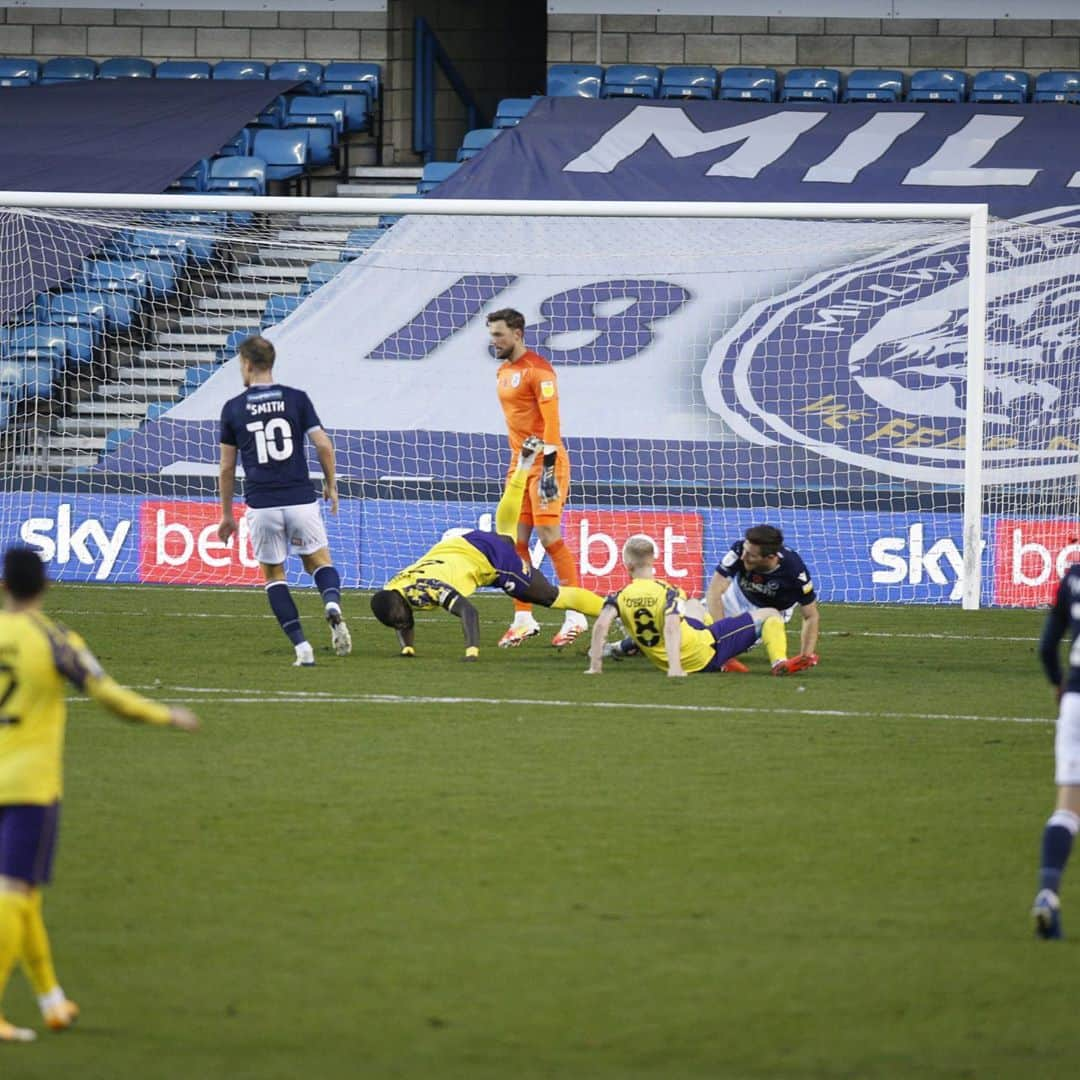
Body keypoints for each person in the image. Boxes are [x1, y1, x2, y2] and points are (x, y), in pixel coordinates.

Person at [0, 547, 199, 1044]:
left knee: (24, 897)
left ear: (4, 586)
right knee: (13, 894)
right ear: (45, 586)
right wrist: (165, 715)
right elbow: (107, 694)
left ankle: (52, 1001)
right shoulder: (54, 639)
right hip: (29, 785)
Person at [370, 437, 603, 659]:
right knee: (506, 534)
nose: (401, 623)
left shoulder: (426, 590)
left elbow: (468, 611)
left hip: (488, 560)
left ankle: (613, 610)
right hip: (462, 544)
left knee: (552, 596)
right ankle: (523, 467)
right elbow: (403, 621)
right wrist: (407, 648)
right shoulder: (393, 587)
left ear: (400, 603)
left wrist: (472, 651)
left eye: (399, 619)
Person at [217, 335, 351, 667]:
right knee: (318, 561)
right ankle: (331, 604)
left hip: (262, 504)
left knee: (274, 575)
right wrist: (331, 485)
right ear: (271, 362)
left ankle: (302, 648)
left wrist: (226, 515)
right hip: (300, 498)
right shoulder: (296, 399)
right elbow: (323, 444)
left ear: (246, 364)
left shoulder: (233, 408)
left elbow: (227, 467)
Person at [487, 308, 587, 649]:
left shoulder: (539, 370)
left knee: (547, 535)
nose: (494, 341)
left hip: (546, 461)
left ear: (517, 333)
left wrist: (546, 465)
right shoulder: (503, 372)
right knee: (513, 541)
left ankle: (576, 615)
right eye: (492, 335)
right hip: (519, 465)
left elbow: (552, 424)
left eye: (499, 334)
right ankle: (523, 618)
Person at [604, 524, 819, 675]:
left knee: (771, 619)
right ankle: (621, 646)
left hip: (768, 612)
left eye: (751, 555)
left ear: (770, 557)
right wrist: (719, 630)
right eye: (744, 550)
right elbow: (715, 590)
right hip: (732, 598)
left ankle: (779, 663)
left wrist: (805, 655)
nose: (743, 557)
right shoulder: (739, 550)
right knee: (692, 605)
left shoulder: (795, 571)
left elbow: (810, 616)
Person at [1032, 562, 1080, 939]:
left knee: (1067, 809)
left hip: (1075, 701)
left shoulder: (1073, 577)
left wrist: (1057, 685)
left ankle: (1048, 893)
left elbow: (1048, 648)